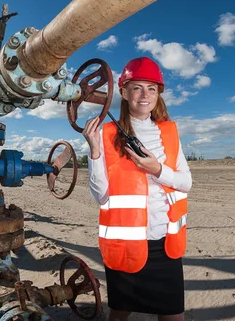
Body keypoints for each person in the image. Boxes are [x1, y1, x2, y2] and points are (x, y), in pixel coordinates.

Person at [82, 57, 193, 321]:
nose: (145, 95)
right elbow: (101, 196)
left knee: (173, 315)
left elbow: (186, 183)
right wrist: (95, 151)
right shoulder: (105, 134)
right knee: (120, 311)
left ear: (159, 94)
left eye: (151, 88)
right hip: (127, 243)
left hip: (165, 244)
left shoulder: (169, 133)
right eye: (137, 87)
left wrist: (157, 169)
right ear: (123, 92)